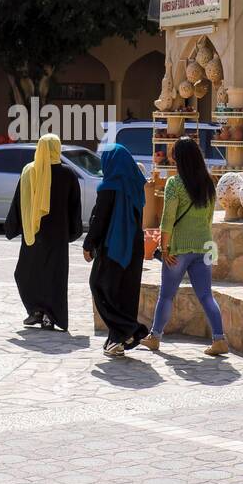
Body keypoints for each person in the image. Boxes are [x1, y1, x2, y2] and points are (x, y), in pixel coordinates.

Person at [142, 136, 229, 356]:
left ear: (178, 158)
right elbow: (209, 218)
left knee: (167, 295)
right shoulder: (209, 183)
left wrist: (164, 247)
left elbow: (167, 219)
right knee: (206, 295)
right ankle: (220, 339)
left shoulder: (174, 183)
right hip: (205, 246)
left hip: (180, 248)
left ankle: (155, 337)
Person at [4, 134, 81, 331]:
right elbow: (74, 207)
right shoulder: (68, 174)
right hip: (57, 235)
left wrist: (12, 227)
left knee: (27, 274)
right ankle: (41, 313)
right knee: (52, 276)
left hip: (34, 234)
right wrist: (74, 231)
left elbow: (18, 204)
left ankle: (42, 313)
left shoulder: (30, 171)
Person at [83, 143, 149, 357]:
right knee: (125, 295)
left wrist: (88, 245)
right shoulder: (136, 184)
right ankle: (116, 341)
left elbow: (99, 220)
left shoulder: (109, 187)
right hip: (134, 246)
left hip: (113, 246)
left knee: (99, 287)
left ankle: (130, 330)